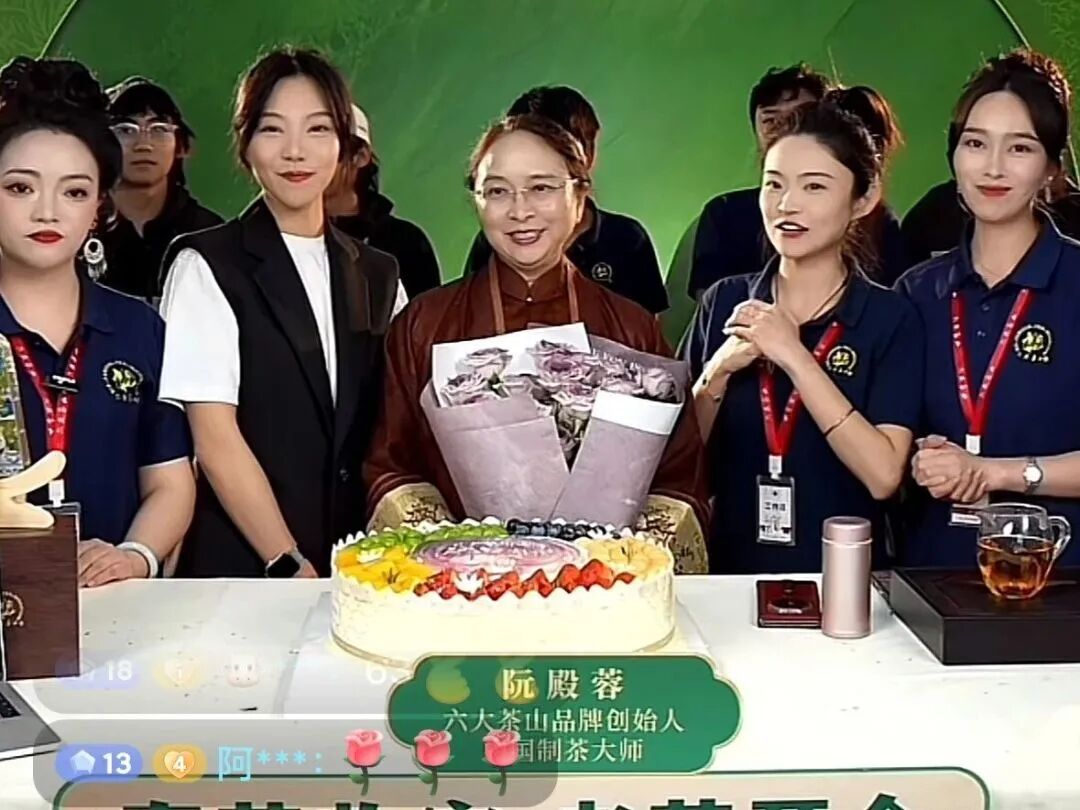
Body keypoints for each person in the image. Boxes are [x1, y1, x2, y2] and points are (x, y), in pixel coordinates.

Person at [364, 113, 709, 572]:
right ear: (476, 201)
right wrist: (458, 553)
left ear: (579, 197)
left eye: (541, 188)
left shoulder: (631, 327)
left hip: (599, 587)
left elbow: (679, 476)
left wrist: (615, 564)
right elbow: (390, 465)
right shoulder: (423, 325)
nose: (519, 211)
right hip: (465, 587)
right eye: (497, 191)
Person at [158, 48, 401, 578]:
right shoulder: (207, 264)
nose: (295, 151)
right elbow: (215, 438)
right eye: (272, 129)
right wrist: (287, 560)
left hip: (358, 567)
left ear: (343, 145)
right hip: (245, 569)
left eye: (318, 129)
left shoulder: (379, 275)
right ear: (245, 144)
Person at [683, 100, 924, 574]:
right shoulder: (725, 300)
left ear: (863, 198)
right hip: (727, 577)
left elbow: (883, 476)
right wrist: (717, 373)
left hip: (847, 579)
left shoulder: (891, 318)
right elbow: (678, 463)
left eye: (814, 186)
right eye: (774, 184)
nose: (787, 204)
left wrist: (794, 356)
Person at [0, 57, 194, 586]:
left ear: (99, 208)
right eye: (20, 188)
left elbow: (170, 482)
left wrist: (134, 555)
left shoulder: (139, 329)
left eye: (74, 191)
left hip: (117, 606)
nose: (47, 211)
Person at [897, 50, 1080, 567]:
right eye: (975, 143)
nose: (993, 167)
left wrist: (995, 472)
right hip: (932, 577)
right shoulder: (917, 292)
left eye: (1019, 147)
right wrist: (919, 458)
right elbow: (885, 444)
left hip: (1062, 580)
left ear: (1051, 168)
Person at [463, 86, 669, 315]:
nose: (521, 213)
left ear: (587, 155)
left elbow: (648, 326)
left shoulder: (626, 238)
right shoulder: (494, 242)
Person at [685, 64, 830, 301]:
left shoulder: (863, 213)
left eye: (800, 117)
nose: (784, 130)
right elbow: (714, 306)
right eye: (770, 121)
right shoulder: (725, 213)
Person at [98, 77, 223, 303]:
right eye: (126, 130)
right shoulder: (82, 229)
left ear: (180, 146)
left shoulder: (209, 234)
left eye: (159, 129)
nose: (143, 144)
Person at [325, 102, 442, 298]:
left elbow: (429, 315)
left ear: (360, 156)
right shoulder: (280, 238)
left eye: (327, 147)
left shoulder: (405, 243)